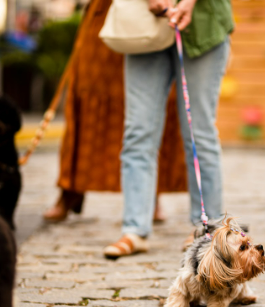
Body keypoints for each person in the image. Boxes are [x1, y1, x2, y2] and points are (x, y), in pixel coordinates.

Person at [103, 0, 233, 258]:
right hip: (145, 27)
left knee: (199, 133)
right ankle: (135, 229)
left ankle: (207, 229)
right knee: (138, 132)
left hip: (204, 27)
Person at [43, 0, 188, 223]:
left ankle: (151, 195)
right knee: (87, 92)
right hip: (104, 14)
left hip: (152, 13)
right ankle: (70, 190)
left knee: (154, 101)